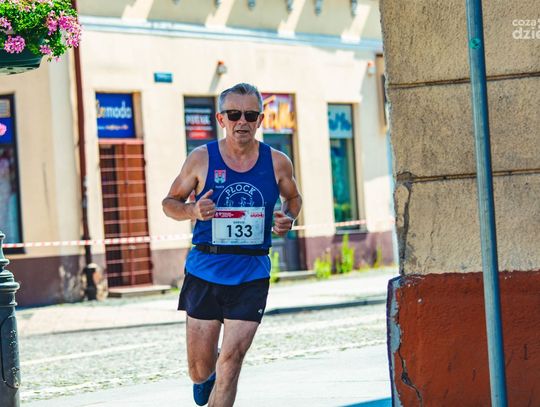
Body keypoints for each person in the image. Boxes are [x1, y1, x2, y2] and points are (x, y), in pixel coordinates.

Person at [162, 83, 302, 407]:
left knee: (231, 361)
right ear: (221, 119)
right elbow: (169, 203)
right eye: (234, 114)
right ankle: (205, 380)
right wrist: (192, 211)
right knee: (200, 369)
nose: (242, 122)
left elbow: (293, 198)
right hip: (205, 270)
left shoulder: (277, 162)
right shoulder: (201, 158)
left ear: (260, 120)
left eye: (250, 115)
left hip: (252, 272)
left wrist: (288, 218)